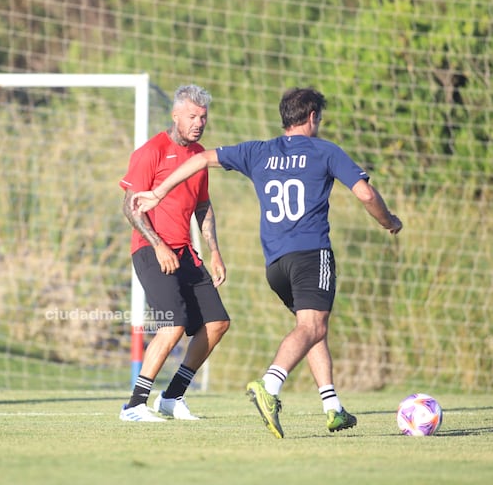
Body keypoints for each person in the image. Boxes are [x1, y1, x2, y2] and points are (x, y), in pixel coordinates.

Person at [133, 87, 402, 437]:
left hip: (276, 265)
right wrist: (389, 221)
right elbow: (365, 193)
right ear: (311, 117)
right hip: (311, 254)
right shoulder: (325, 151)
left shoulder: (258, 152)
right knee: (313, 326)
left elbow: (198, 160)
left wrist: (158, 191)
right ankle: (269, 385)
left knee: (310, 326)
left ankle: (332, 405)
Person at [117, 84, 231, 422]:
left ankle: (172, 398)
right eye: (193, 116)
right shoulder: (151, 151)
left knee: (218, 322)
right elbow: (130, 207)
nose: (199, 123)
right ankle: (135, 405)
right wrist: (159, 245)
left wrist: (214, 251)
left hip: (186, 252)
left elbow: (203, 206)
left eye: (203, 117)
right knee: (174, 324)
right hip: (151, 250)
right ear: (175, 115)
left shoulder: (199, 157)